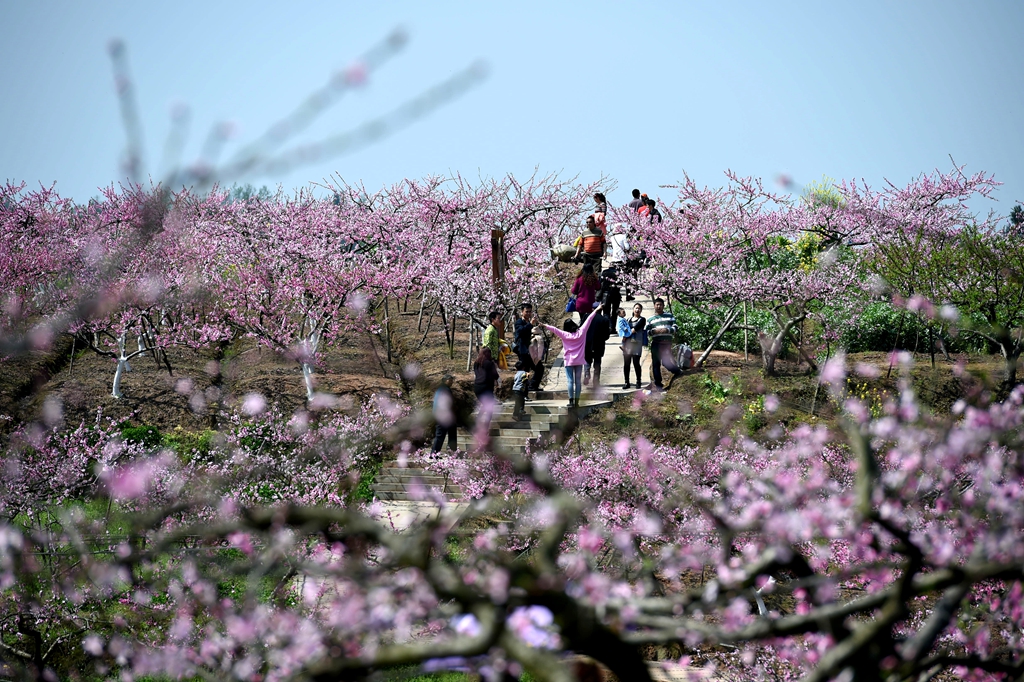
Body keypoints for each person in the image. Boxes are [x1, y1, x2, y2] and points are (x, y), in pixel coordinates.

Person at [541, 311, 598, 408]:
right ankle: (577, 402)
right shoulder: (581, 332)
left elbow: (554, 329)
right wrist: (597, 309)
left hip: (569, 361)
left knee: (570, 381)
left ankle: (571, 401)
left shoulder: (564, 335)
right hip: (579, 361)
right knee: (578, 381)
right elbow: (589, 320)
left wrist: (544, 325)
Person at [646, 298, 683, 391]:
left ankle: (677, 372)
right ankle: (658, 385)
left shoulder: (669, 316)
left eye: (660, 305)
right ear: (654, 306)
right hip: (656, 343)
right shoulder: (650, 319)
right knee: (656, 363)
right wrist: (654, 331)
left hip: (666, 343)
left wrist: (667, 330)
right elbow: (646, 332)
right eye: (657, 305)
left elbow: (676, 327)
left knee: (666, 362)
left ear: (663, 306)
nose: (658, 306)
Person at [513, 303, 543, 395]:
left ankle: (533, 386)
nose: (528, 313)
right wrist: (530, 324)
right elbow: (521, 332)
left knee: (539, 368)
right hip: (523, 351)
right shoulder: (519, 322)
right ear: (522, 312)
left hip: (531, 351)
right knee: (525, 371)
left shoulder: (528, 322)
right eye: (526, 312)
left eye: (530, 312)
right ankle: (523, 392)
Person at [620, 303, 646, 389]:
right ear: (633, 309)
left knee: (636, 363)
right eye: (636, 308)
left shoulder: (642, 320)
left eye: (639, 308)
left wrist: (627, 332)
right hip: (627, 344)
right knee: (626, 364)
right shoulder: (628, 319)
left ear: (641, 310)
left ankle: (638, 381)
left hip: (636, 344)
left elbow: (635, 329)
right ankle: (626, 382)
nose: (637, 310)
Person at [584, 307, 610, 387]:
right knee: (597, 363)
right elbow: (606, 335)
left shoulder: (586, 317)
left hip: (587, 344)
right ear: (601, 310)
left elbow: (581, 329)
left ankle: (587, 374)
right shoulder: (604, 320)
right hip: (599, 345)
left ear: (592, 309)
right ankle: (596, 381)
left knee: (587, 360)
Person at [431, 374, 458, 452]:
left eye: (452, 380)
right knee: (440, 435)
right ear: (444, 381)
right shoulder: (445, 390)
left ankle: (452, 450)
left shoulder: (441, 389)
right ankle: (434, 453)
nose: (451, 382)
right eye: (450, 380)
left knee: (451, 431)